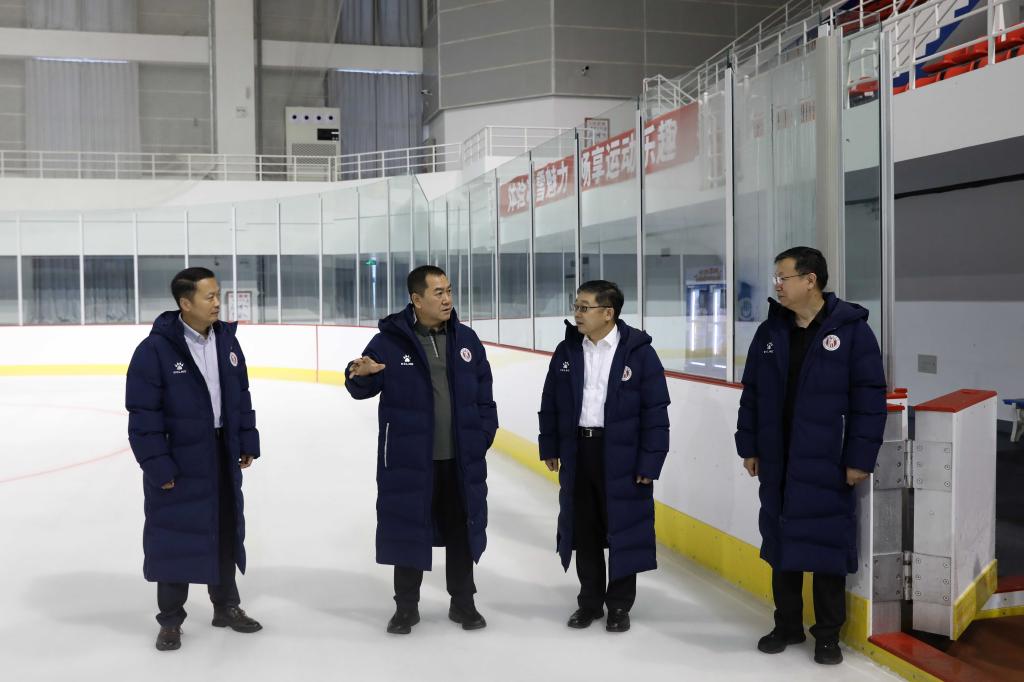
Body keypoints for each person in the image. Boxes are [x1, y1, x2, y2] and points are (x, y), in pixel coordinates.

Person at [735, 247, 886, 665]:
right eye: (776, 279)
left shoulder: (852, 332)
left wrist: (860, 458)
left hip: (827, 460)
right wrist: (749, 445)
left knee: (826, 547)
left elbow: (869, 401)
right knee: (780, 544)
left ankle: (828, 635)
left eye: (782, 278)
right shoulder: (771, 332)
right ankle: (786, 625)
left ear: (810, 280)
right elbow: (753, 395)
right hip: (778, 459)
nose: (777, 286)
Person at [345, 265, 497, 635]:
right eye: (438, 293)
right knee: (408, 530)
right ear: (416, 299)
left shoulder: (466, 340)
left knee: (461, 532)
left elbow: (485, 398)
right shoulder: (390, 342)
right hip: (410, 461)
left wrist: (480, 438)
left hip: (459, 462)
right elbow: (360, 385)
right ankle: (406, 607)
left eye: (449, 291)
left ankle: (463, 603)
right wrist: (357, 372)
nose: (447, 299)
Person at [126, 267, 262, 652]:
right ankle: (170, 621)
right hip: (179, 458)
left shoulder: (228, 342)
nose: (218, 302)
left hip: (221, 452)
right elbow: (143, 416)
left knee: (224, 529)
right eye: (209, 296)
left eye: (218, 294)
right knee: (175, 537)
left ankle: (226, 606)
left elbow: (241, 396)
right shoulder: (154, 351)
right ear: (186, 303)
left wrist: (246, 440)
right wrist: (158, 466)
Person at [538, 280, 670, 633]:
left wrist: (650, 462)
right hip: (579, 452)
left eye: (584, 307)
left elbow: (656, 413)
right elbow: (550, 401)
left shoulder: (639, 354)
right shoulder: (567, 350)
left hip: (623, 456)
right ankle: (590, 602)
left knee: (624, 529)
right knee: (585, 531)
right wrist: (549, 445)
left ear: (608, 313)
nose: (577, 314)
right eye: (576, 306)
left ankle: (620, 605)